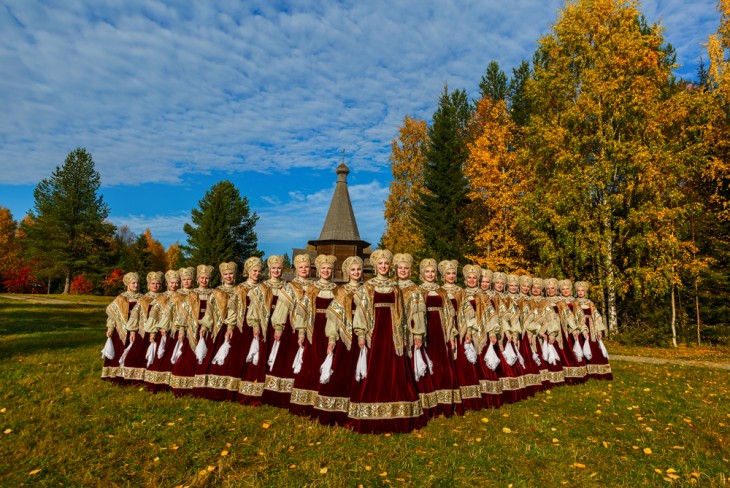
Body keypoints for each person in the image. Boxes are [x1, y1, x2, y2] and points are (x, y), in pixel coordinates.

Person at [348, 249, 427, 434]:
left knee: (394, 369)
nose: (383, 266)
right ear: (375, 266)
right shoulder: (366, 287)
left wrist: (408, 334)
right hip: (375, 334)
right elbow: (360, 313)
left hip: (393, 335)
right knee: (374, 368)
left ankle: (398, 413)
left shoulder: (395, 288)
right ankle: (370, 414)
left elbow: (403, 314)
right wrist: (361, 334)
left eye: (386, 264)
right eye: (380, 264)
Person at [313, 256, 363, 426]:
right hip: (346, 335)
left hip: (363, 336)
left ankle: (358, 407)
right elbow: (333, 318)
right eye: (353, 270)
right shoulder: (341, 292)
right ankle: (336, 409)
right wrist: (332, 338)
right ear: (347, 272)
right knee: (342, 370)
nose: (356, 273)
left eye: (358, 269)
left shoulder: (366, 290)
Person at [289, 254, 338, 417]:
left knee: (329, 361)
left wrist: (333, 335)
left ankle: (324, 397)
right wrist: (301, 331)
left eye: (329, 269)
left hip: (331, 329)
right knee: (311, 361)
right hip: (314, 328)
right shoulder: (311, 289)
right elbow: (303, 312)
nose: (326, 271)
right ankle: (306, 401)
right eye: (323, 268)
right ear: (318, 270)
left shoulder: (337, 290)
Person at [262, 254, 312, 407]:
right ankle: (281, 394)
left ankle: (300, 392)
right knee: (286, 358)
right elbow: (282, 307)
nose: (304, 269)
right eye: (301, 267)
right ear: (296, 269)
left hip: (309, 326)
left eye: (306, 267)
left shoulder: (313, 287)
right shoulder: (290, 286)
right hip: (291, 327)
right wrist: (278, 327)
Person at [192, 261, 247, 401]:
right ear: (222, 276)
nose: (228, 276)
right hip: (217, 328)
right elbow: (210, 311)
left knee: (231, 359)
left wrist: (230, 326)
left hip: (233, 328)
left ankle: (228, 389)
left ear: (234, 275)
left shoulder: (240, 290)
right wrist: (204, 326)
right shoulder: (216, 292)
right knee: (213, 357)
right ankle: (210, 388)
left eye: (231, 274)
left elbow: (238, 310)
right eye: (226, 274)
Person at [394, 254, 436, 418]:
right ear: (395, 269)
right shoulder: (391, 286)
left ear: (410, 271)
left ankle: (418, 399)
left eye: (406, 268)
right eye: (400, 268)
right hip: (394, 332)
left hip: (411, 332)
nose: (403, 271)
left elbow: (419, 314)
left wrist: (418, 333)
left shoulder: (415, 290)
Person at [245, 256, 289, 406]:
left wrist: (280, 326)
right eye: (273, 268)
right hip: (265, 325)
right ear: (269, 270)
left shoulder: (287, 287)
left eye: (279, 268)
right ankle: (256, 391)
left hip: (280, 326)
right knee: (262, 356)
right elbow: (254, 308)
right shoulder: (261, 287)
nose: (276, 271)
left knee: (278, 358)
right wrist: (255, 325)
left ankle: (274, 393)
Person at [169, 265, 215, 397]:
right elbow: (183, 313)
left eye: (207, 278)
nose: (204, 280)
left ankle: (201, 387)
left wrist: (207, 325)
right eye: (202, 278)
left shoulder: (213, 294)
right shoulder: (191, 294)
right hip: (192, 327)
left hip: (208, 327)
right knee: (187, 356)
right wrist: (182, 329)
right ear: (197, 278)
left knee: (206, 356)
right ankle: (184, 387)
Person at [463, 265, 501, 408]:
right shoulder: (461, 294)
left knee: (483, 364)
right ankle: (470, 399)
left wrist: (492, 332)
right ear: (465, 279)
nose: (472, 280)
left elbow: (490, 313)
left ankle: (487, 398)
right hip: (465, 332)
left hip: (481, 332)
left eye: (474, 278)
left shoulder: (483, 296)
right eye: (469, 278)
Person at [120, 271, 164, 384]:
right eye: (153, 283)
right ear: (149, 285)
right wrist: (133, 330)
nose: (155, 286)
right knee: (137, 354)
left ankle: (153, 377)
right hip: (143, 330)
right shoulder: (143, 299)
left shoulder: (164, 298)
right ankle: (135, 377)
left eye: (158, 284)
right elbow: (135, 314)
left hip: (159, 331)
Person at [491, 272, 527, 403]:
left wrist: (512, 332)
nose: (499, 285)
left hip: (505, 333)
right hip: (492, 331)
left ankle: (510, 391)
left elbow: (512, 317)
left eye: (502, 283)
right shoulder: (487, 296)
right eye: (497, 283)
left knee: (507, 360)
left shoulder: (507, 299)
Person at [144, 269, 181, 392]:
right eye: (172, 282)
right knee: (162, 356)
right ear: (167, 283)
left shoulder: (182, 296)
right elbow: (154, 314)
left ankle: (173, 381)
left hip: (178, 330)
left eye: (176, 282)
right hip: (164, 330)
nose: (174, 285)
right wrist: (153, 331)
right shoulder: (162, 297)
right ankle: (158, 382)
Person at [101, 272, 142, 382]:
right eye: (133, 283)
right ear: (128, 284)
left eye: (137, 283)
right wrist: (110, 327)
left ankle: (133, 376)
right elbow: (113, 314)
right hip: (122, 328)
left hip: (137, 328)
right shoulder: (121, 298)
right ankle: (117, 375)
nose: (136, 285)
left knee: (135, 352)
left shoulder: (142, 298)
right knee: (120, 351)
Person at [544, 278, 585, 385]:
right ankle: (553, 376)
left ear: (556, 289)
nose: (550, 290)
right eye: (548, 289)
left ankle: (569, 375)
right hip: (548, 329)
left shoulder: (561, 302)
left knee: (565, 352)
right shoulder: (543, 301)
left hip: (562, 329)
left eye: (552, 288)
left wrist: (574, 328)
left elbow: (568, 316)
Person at [574, 281, 613, 380]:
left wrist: (599, 330)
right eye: (578, 291)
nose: (580, 292)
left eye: (582, 290)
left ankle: (597, 371)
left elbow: (596, 316)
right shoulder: (574, 303)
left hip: (591, 327)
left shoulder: (590, 303)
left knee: (594, 347)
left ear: (586, 292)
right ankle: (583, 371)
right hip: (579, 326)